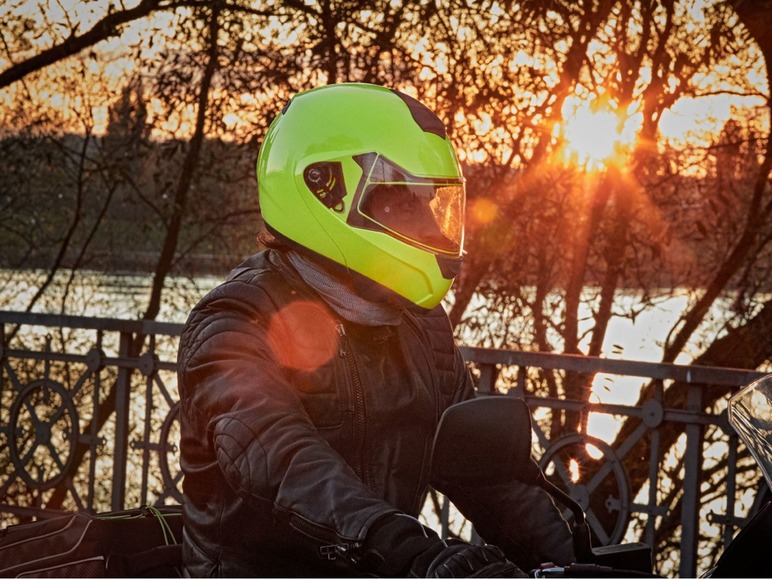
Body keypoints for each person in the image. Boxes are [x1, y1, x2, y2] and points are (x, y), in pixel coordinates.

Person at [177, 83, 574, 577]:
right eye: (405, 202)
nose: (430, 223)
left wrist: (570, 559)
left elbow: (482, 473)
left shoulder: (422, 327)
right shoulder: (234, 323)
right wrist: (409, 550)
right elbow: (283, 460)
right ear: (326, 191)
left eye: (433, 203)